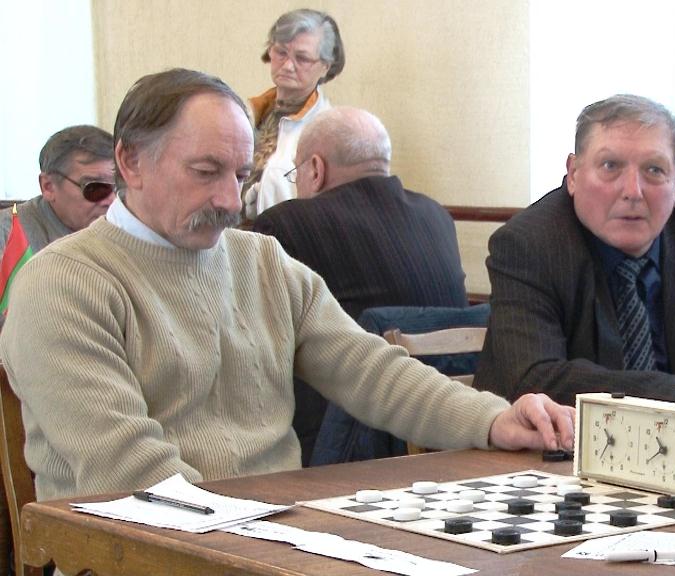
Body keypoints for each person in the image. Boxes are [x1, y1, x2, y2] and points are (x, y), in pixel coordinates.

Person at [0, 68, 574, 503]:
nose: (229, 199)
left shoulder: (260, 260)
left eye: (240, 175)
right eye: (206, 172)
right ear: (130, 162)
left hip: (269, 530)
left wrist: (493, 420)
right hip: (139, 548)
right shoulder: (62, 284)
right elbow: (130, 471)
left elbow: (371, 369)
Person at [475, 94, 675, 408]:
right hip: (551, 437)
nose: (632, 191)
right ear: (573, 174)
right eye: (610, 166)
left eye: (654, 170)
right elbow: (536, 379)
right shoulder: (528, 244)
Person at [253, 106, 469, 463]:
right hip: (448, 431)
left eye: (295, 172)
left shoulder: (287, 224)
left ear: (316, 169)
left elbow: (261, 353)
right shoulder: (436, 216)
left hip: (342, 448)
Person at [242, 8, 343, 220]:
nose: (288, 66)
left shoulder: (328, 133)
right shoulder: (247, 113)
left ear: (325, 66)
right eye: (281, 53)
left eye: (302, 58)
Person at [0, 125, 115, 253]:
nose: (112, 200)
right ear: (48, 187)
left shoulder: (123, 228)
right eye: (94, 187)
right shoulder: (6, 236)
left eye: (120, 186)